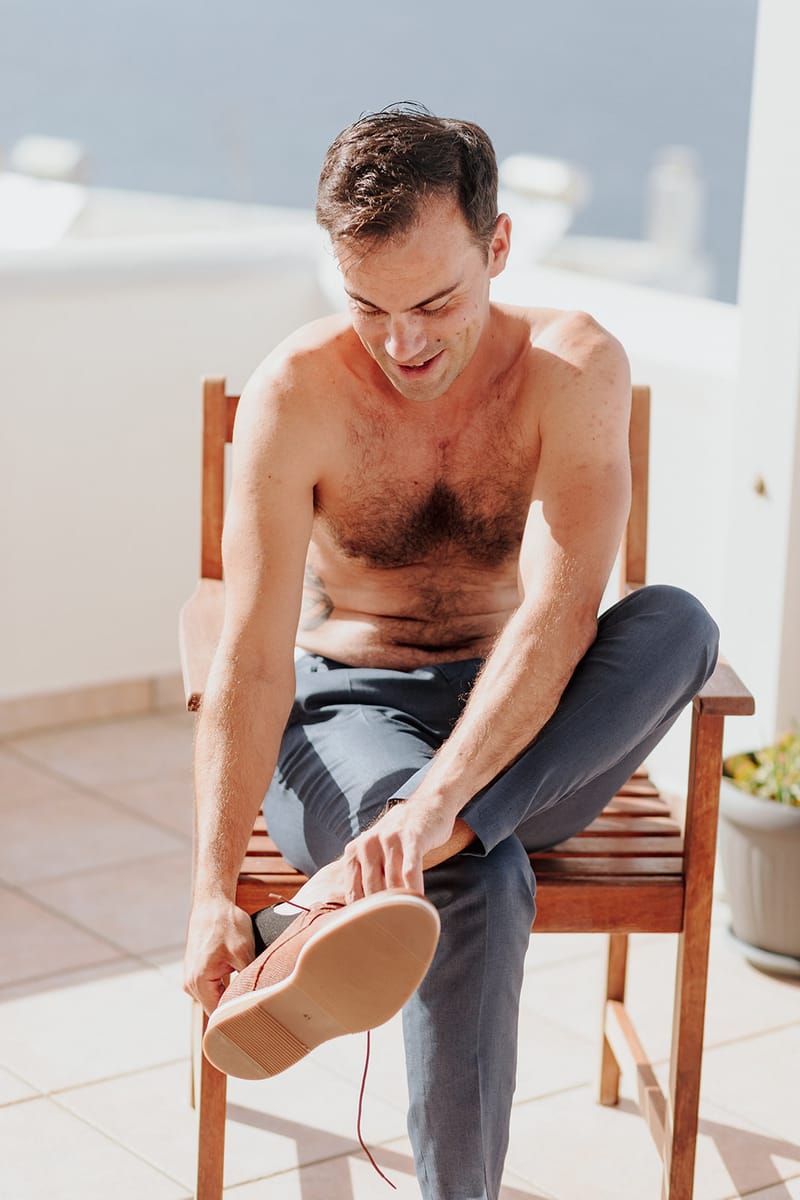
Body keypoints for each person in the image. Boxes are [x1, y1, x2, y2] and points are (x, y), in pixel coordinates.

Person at [183, 104, 719, 1200]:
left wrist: (432, 806)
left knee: (677, 624)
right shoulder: (296, 395)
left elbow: (564, 611)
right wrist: (205, 890)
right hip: (347, 719)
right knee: (474, 871)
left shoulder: (572, 368)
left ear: (499, 245)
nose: (402, 342)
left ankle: (322, 908)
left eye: (434, 301)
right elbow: (248, 655)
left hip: (524, 712)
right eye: (367, 307)